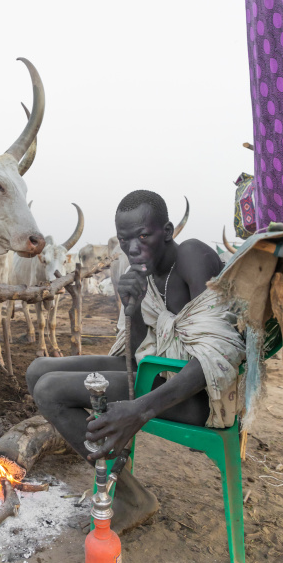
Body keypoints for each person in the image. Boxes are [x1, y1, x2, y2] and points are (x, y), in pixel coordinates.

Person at [26, 190, 246, 532]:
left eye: (144, 235)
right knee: (38, 370)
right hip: (158, 371)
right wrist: (132, 308)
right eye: (125, 238)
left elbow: (219, 357)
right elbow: (135, 349)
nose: (133, 247)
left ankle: (130, 496)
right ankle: (122, 481)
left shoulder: (193, 256)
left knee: (50, 390)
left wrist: (140, 410)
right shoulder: (139, 270)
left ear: (168, 231)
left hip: (200, 396)